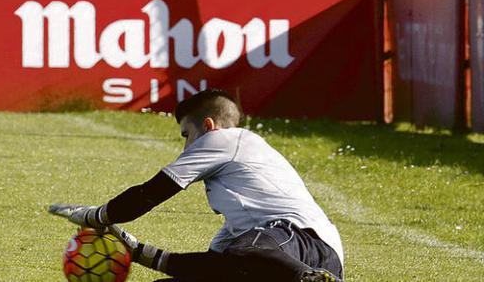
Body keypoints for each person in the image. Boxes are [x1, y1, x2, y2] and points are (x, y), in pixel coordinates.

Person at [50, 89, 345, 282]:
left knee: (241, 251)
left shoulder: (225, 139)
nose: (185, 146)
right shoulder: (241, 211)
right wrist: (137, 251)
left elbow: (152, 192)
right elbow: (210, 269)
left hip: (307, 246)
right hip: (296, 258)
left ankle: (309, 280)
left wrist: (96, 216)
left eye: (185, 134)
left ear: (208, 126)